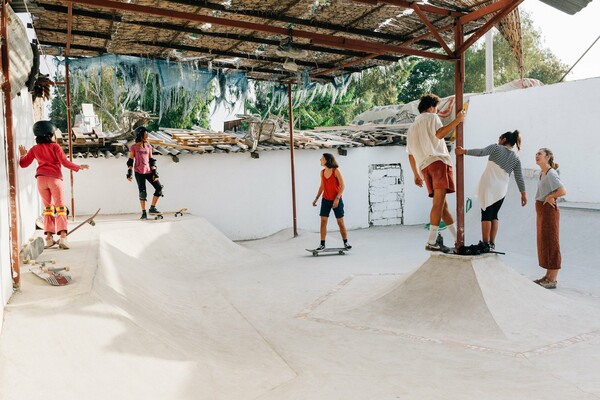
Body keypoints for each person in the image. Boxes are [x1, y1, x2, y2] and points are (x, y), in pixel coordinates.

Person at [407, 93, 466, 252]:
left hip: (425, 168)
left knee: (443, 207)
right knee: (438, 204)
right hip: (438, 163)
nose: (437, 111)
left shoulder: (412, 128)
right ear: (432, 107)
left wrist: (416, 174)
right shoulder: (432, 118)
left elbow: (411, 155)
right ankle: (431, 241)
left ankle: (457, 240)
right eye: (437, 108)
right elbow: (440, 134)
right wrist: (457, 120)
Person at [18, 120, 89, 249]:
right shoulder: (55, 147)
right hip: (54, 179)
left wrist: (23, 155)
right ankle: (63, 237)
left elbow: (23, 164)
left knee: (48, 209)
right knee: (60, 208)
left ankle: (49, 238)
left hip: (41, 180)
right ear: (49, 134)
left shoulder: (34, 149)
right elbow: (65, 162)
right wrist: (78, 167)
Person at [455, 130, 527, 251]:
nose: (498, 141)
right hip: (501, 190)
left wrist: (464, 151)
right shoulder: (516, 158)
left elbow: (481, 152)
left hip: (489, 186)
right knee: (494, 215)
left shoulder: (496, 148)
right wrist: (523, 195)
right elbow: (519, 177)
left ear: (503, 140)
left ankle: (485, 243)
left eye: (499, 139)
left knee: (486, 215)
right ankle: (492, 243)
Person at [533, 148, 566, 289]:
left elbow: (562, 191)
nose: (536, 156)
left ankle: (553, 279)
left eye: (539, 154)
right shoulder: (542, 173)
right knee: (545, 242)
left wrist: (550, 197)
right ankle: (547, 276)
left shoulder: (551, 174)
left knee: (552, 242)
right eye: (536, 154)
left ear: (547, 157)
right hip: (542, 210)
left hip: (549, 211)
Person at [312, 153, 351, 250]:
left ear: (326, 160)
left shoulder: (336, 171)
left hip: (336, 200)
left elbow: (342, 186)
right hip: (326, 200)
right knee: (323, 221)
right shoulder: (322, 172)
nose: (320, 160)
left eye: (322, 158)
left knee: (340, 222)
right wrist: (316, 198)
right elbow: (322, 186)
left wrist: (337, 199)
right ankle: (322, 244)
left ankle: (346, 242)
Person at [127, 126, 164, 220]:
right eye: (145, 133)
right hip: (139, 172)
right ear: (140, 135)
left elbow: (151, 160)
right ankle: (143, 212)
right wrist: (129, 173)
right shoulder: (134, 147)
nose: (147, 135)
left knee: (159, 188)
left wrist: (155, 172)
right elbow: (130, 160)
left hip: (149, 171)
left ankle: (152, 208)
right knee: (143, 193)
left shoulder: (148, 146)